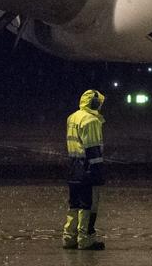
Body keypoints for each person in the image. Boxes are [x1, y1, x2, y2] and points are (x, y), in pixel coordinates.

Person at [62, 89, 106, 250]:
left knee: (74, 204)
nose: (100, 106)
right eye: (99, 103)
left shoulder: (72, 117)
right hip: (87, 167)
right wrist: (97, 172)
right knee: (88, 205)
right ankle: (85, 239)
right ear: (94, 103)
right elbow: (93, 149)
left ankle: (69, 237)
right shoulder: (91, 120)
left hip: (73, 167)